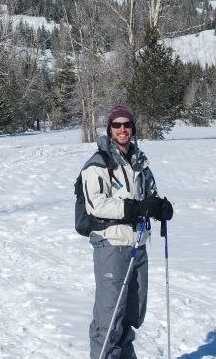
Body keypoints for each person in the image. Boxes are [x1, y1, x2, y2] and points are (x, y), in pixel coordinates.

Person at [81, 104, 173, 359]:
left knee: (132, 313)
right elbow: (95, 204)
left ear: (133, 128)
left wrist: (159, 207)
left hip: (138, 245)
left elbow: (149, 196)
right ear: (110, 129)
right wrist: (134, 208)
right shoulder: (98, 164)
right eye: (117, 125)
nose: (123, 129)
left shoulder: (140, 162)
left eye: (127, 124)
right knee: (109, 317)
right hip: (111, 245)